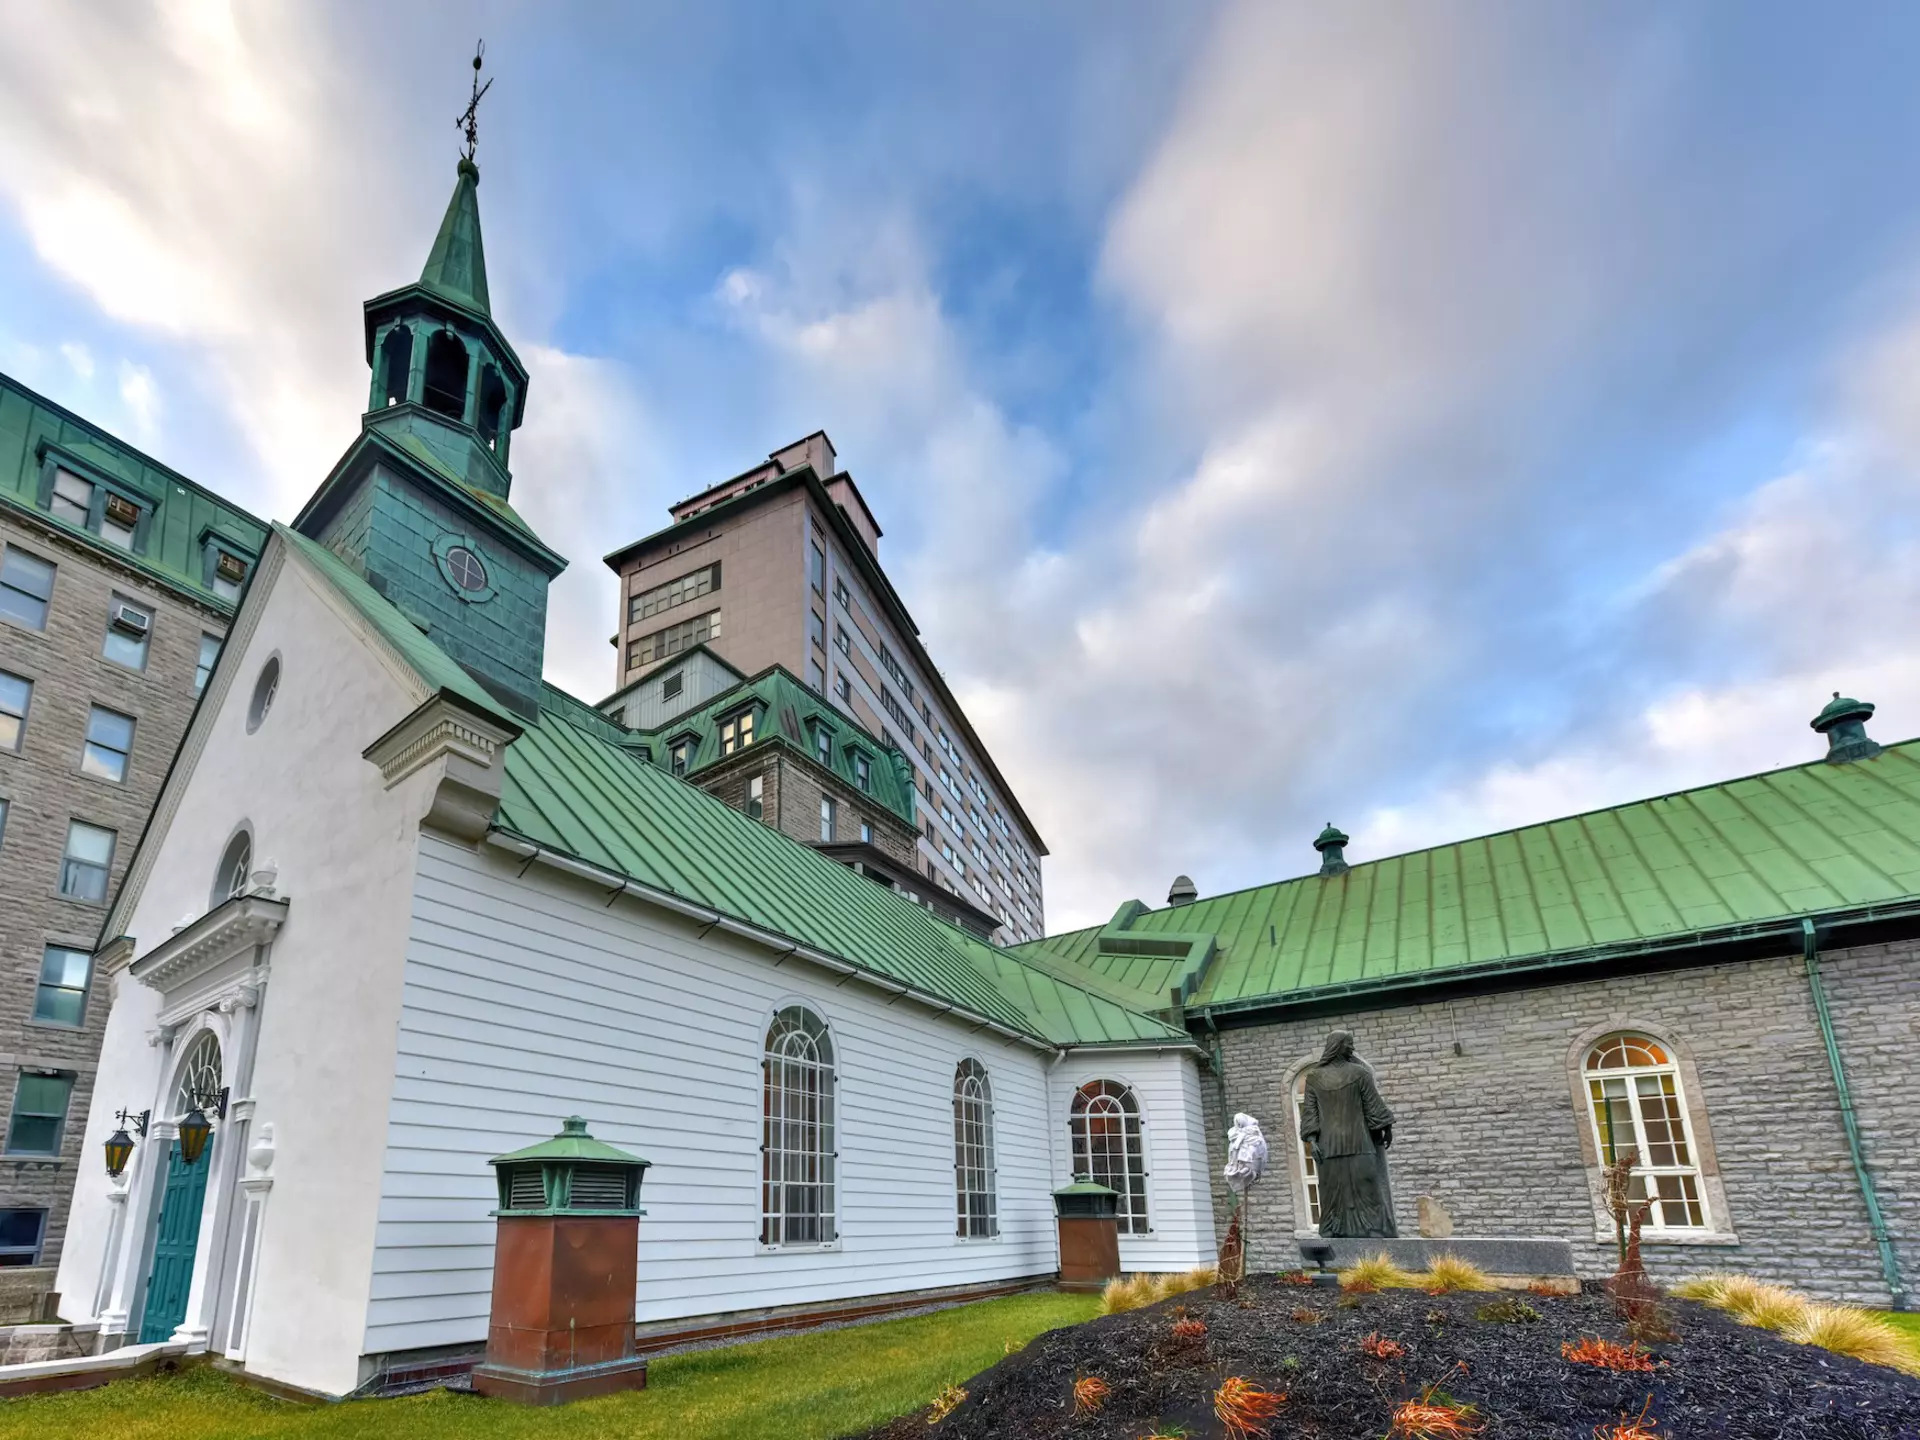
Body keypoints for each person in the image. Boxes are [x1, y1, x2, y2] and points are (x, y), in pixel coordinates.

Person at [1298, 1031, 1397, 1238]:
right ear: (1337, 1046)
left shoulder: (1359, 1073)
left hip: (1359, 1141)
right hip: (1330, 1146)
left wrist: (1385, 1127)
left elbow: (1372, 1105)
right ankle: (1334, 1229)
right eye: (1348, 1044)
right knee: (1332, 1191)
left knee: (1367, 1185)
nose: (1352, 1048)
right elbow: (1310, 1112)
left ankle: (1375, 1230)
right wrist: (1311, 1140)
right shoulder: (1315, 1078)